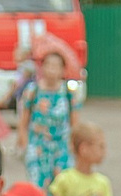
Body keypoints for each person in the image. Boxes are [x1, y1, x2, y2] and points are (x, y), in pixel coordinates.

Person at [22, 48, 80, 187]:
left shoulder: (68, 92)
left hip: (61, 148)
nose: (52, 69)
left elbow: (75, 122)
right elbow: (23, 121)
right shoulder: (32, 90)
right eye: (48, 65)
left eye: (56, 66)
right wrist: (26, 146)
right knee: (37, 186)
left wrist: (74, 147)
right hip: (38, 147)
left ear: (63, 70)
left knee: (61, 188)